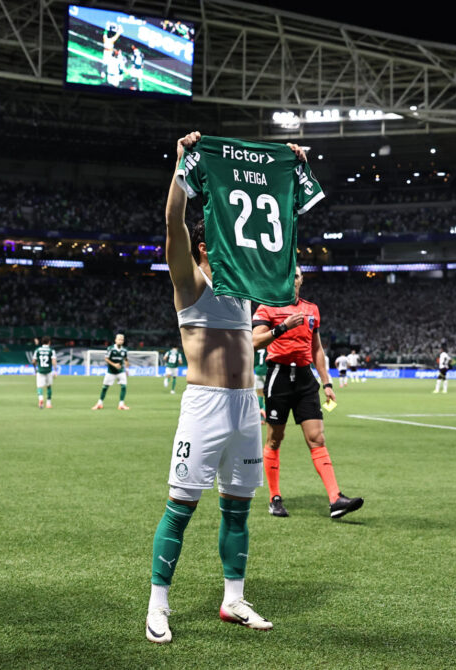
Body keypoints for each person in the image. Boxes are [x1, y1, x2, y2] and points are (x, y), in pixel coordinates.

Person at [146, 130, 281, 644]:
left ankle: (234, 599)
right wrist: (181, 163)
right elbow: (172, 222)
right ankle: (159, 605)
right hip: (205, 407)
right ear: (206, 247)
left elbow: (274, 228)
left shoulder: (244, 293)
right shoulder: (192, 282)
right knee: (181, 508)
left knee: (239, 508)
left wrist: (288, 171)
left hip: (247, 406)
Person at [252, 267, 363, 520]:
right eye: (288, 274)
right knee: (275, 438)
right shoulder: (266, 308)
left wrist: (327, 384)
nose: (292, 278)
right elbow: (255, 340)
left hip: (304, 378)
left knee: (317, 438)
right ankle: (274, 498)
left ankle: (335, 498)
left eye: (297, 275)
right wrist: (282, 328)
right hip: (278, 377)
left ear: (302, 280)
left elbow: (317, 349)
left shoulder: (312, 309)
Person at [92, 333, 130, 410]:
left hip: (121, 371)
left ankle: (121, 404)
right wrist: (114, 365)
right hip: (111, 372)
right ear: (115, 340)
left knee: (124, 386)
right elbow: (106, 358)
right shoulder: (111, 348)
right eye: (119, 339)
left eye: (122, 339)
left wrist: (127, 368)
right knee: (105, 387)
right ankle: (99, 403)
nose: (120, 341)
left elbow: (125, 359)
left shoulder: (124, 350)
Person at [32, 336, 57, 408]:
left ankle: (41, 400)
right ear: (49, 342)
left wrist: (35, 369)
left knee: (39, 386)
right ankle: (48, 403)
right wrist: (55, 371)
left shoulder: (37, 350)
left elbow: (33, 361)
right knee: (48, 386)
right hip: (49, 371)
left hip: (40, 371)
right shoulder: (51, 350)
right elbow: (54, 361)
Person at [253, 348, 267, 418]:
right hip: (267, 371)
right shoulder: (268, 344)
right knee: (269, 395)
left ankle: (261, 418)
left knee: (259, 394)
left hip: (257, 372)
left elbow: (253, 360)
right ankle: (265, 412)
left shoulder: (257, 346)